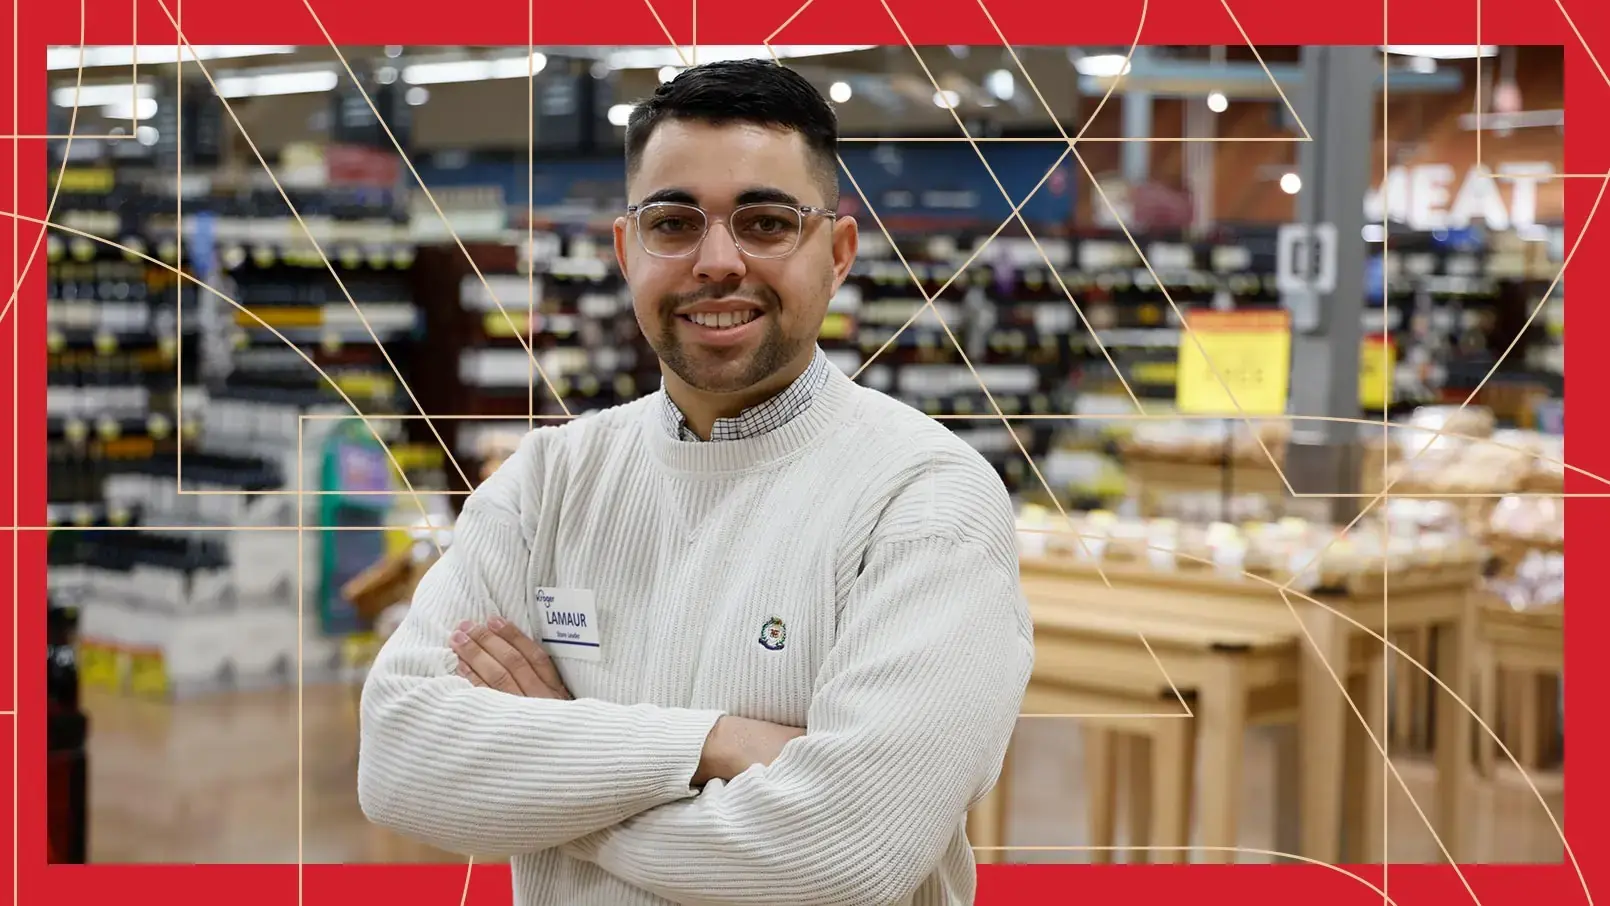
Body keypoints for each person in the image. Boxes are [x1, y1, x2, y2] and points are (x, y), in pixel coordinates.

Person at [357, 58, 1034, 906]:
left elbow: (845, 855)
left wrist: (553, 772)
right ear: (625, 248)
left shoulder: (926, 502)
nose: (719, 262)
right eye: (674, 223)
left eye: (766, 222)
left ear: (839, 251)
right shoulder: (546, 485)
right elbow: (397, 759)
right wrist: (712, 744)